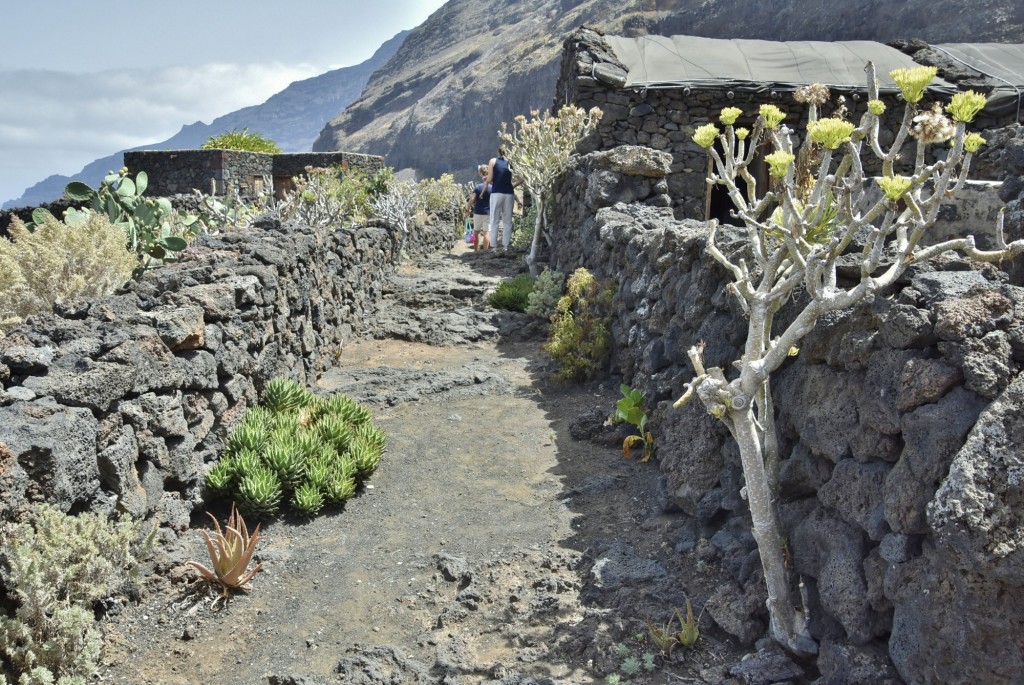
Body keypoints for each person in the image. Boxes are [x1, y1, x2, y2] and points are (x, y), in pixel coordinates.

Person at [485, 146, 515, 251]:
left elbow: (489, 178)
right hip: (509, 193)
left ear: (497, 152)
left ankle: (493, 246)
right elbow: (521, 178)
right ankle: (505, 246)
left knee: (494, 220)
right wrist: (513, 186)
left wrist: (488, 180)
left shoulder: (492, 161)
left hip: (497, 193)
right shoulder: (511, 162)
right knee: (507, 220)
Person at [465, 164, 491, 252]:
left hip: (478, 212)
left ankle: (476, 251)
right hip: (488, 213)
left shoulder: (478, 187)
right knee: (486, 232)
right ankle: (485, 252)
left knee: (476, 231)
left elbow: (472, 199)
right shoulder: (492, 188)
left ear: (480, 174)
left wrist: (467, 209)